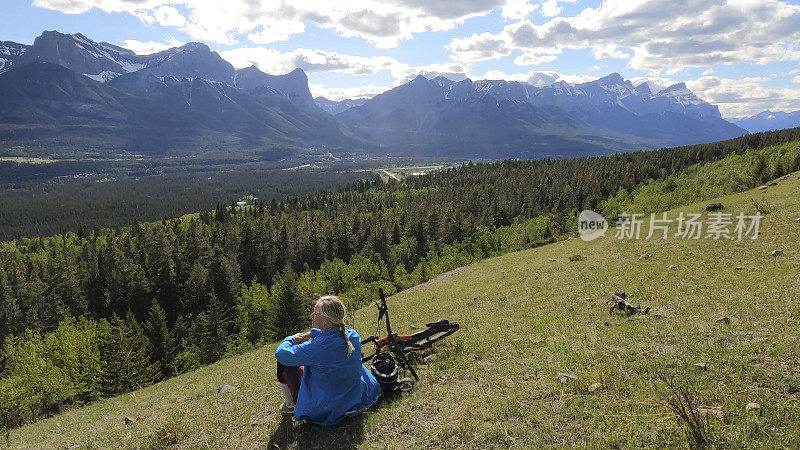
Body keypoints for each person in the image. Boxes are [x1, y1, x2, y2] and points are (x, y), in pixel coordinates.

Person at [275, 295, 381, 425]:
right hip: (358, 397)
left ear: (327, 322)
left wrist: (290, 338)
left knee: (283, 363)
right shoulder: (353, 336)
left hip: (330, 409)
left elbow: (281, 354)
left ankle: (289, 404)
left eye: (316, 313)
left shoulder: (316, 348)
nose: (311, 315)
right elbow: (330, 337)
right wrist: (310, 333)